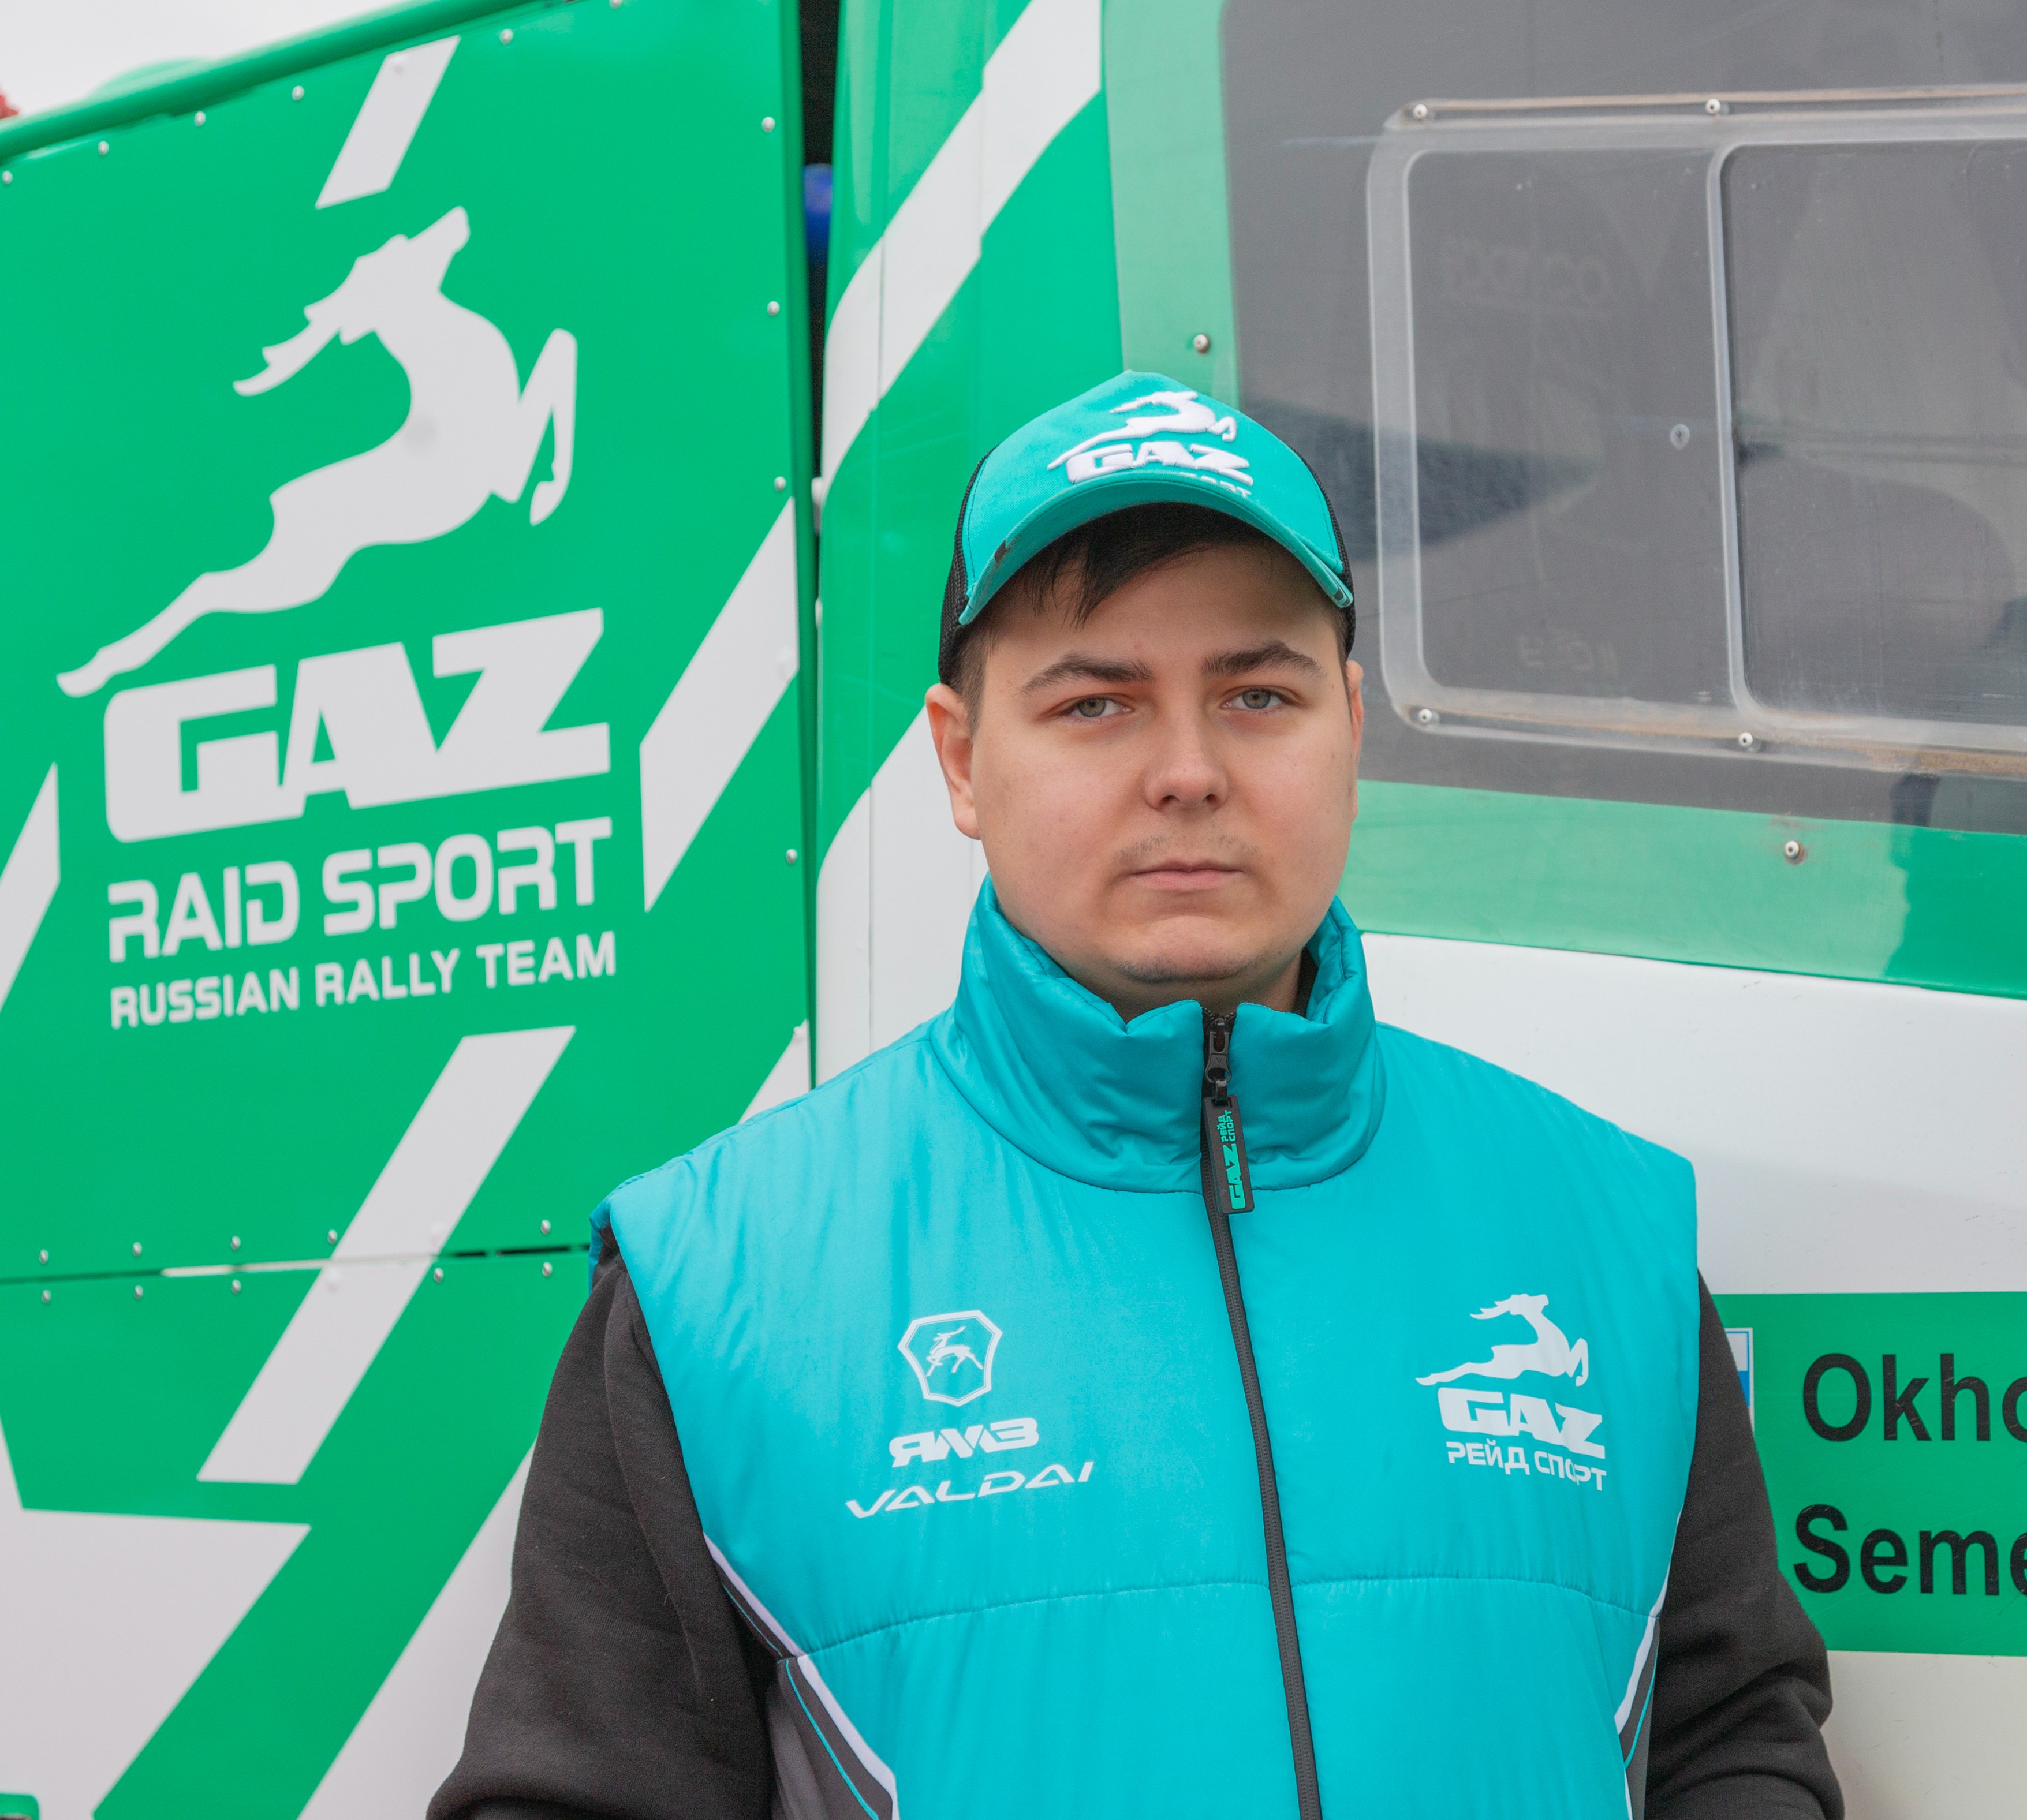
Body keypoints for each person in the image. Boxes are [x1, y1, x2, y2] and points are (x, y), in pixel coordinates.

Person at [433, 372, 1841, 1820]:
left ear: (1352, 725)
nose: (1187, 771)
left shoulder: (1598, 1230)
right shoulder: (718, 1281)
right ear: (962, 758)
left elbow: (1736, 1738)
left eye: (1258, 694)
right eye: (1095, 702)